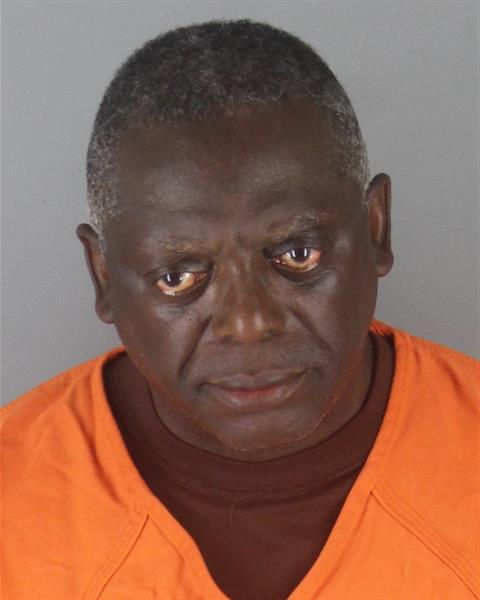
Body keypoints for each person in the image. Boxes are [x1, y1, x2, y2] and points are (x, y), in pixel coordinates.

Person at [1, 19, 477, 600]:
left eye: (298, 254)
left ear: (375, 227)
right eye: (177, 277)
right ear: (103, 276)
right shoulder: (11, 499)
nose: (248, 324)